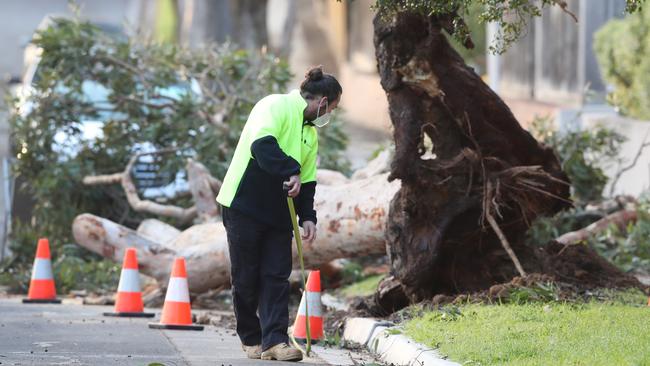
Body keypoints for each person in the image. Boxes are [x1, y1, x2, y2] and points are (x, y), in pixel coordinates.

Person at [216, 66, 342, 361]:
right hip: (243, 204)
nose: (329, 115)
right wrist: (290, 170)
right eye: (331, 108)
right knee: (246, 276)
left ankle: (275, 341)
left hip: (279, 213)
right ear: (322, 101)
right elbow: (262, 145)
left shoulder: (310, 134)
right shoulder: (274, 105)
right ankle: (251, 338)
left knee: (276, 276)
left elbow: (308, 181)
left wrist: (307, 216)